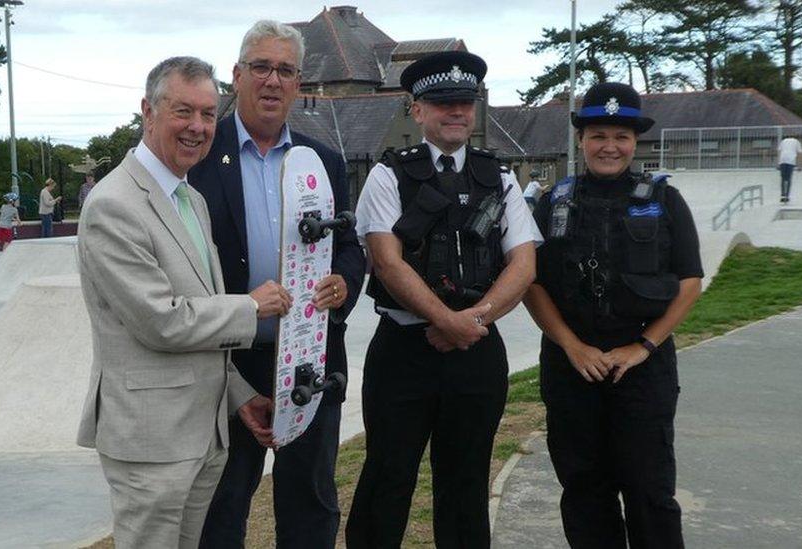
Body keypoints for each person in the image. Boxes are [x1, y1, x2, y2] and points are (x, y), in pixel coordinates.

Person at [75, 56, 293, 549]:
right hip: (151, 442)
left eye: (209, 114)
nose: (198, 127)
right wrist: (251, 307)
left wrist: (238, 394)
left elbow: (200, 313)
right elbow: (162, 321)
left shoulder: (190, 199)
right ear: (147, 112)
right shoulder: (113, 205)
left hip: (203, 433)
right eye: (183, 112)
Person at [345, 50, 541, 548]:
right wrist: (447, 321)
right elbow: (388, 262)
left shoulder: (498, 176)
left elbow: (523, 265)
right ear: (417, 110)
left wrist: (469, 321)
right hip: (405, 353)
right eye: (441, 103)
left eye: (464, 102)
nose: (455, 112)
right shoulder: (389, 175)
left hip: (475, 350)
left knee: (466, 480)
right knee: (388, 477)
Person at [189, 20, 365, 549]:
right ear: (237, 76)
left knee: (311, 505)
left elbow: (350, 244)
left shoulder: (324, 161)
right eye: (261, 67)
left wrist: (344, 282)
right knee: (221, 510)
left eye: (285, 70)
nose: (272, 80)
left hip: (309, 357)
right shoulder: (198, 154)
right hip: (229, 363)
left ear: (299, 83)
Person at [523, 82, 703, 549]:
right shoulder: (553, 203)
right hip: (572, 366)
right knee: (584, 490)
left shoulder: (665, 201)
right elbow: (533, 283)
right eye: (598, 134)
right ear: (581, 139)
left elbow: (689, 281)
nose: (610, 146)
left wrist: (643, 347)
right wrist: (572, 345)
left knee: (649, 491)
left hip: (642, 367)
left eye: (620, 136)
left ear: (634, 142)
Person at [778, 135, 802, 203]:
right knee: (788, 179)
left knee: (783, 178)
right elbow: (800, 153)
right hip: (791, 161)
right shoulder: (797, 141)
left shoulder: (783, 141)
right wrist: (800, 166)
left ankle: (783, 195)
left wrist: (778, 163)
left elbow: (779, 151)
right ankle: (787, 196)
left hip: (782, 160)